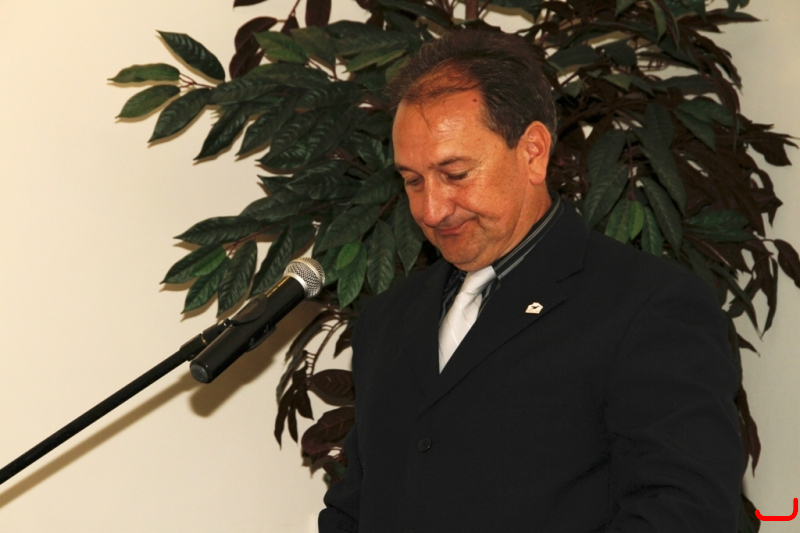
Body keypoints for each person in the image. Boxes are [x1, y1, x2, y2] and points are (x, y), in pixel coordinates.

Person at [319, 31, 743, 532]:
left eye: (455, 174)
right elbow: (355, 508)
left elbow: (684, 514)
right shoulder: (387, 319)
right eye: (413, 181)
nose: (431, 210)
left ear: (534, 152)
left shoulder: (648, 305)